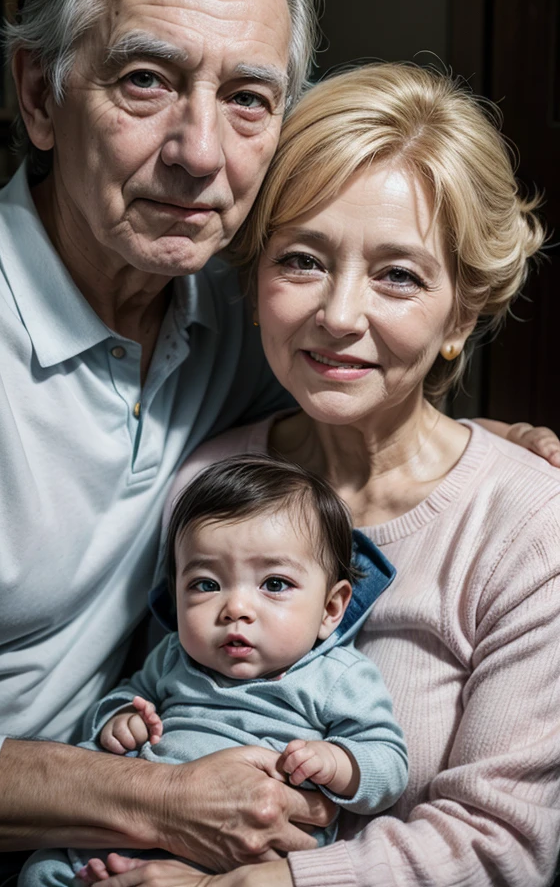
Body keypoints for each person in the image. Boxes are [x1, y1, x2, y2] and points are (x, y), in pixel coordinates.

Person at [0, 0, 556, 879]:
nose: (199, 153)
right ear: (38, 94)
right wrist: (153, 800)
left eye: (248, 96)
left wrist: (494, 464)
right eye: (145, 79)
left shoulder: (224, 311)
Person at [89, 62, 560, 887]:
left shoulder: (529, 525)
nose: (339, 317)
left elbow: (504, 842)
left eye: (398, 275)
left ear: (464, 313)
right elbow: (172, 713)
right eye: (302, 260)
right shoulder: (211, 471)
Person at [19, 455, 409, 885]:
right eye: (206, 584)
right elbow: (130, 692)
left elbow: (388, 763)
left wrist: (337, 761)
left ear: (331, 608)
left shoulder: (336, 676)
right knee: (41, 868)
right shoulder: (174, 655)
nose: (236, 609)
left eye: (274, 584)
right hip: (127, 824)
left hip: (239, 852)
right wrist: (121, 719)